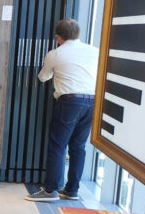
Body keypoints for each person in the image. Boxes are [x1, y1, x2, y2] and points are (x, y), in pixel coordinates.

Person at [26, 19, 99, 202]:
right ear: (78, 34)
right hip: (93, 102)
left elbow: (43, 77)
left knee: (58, 146)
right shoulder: (95, 51)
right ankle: (72, 190)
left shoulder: (56, 54)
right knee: (78, 147)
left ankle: (50, 190)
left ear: (58, 37)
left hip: (70, 102)